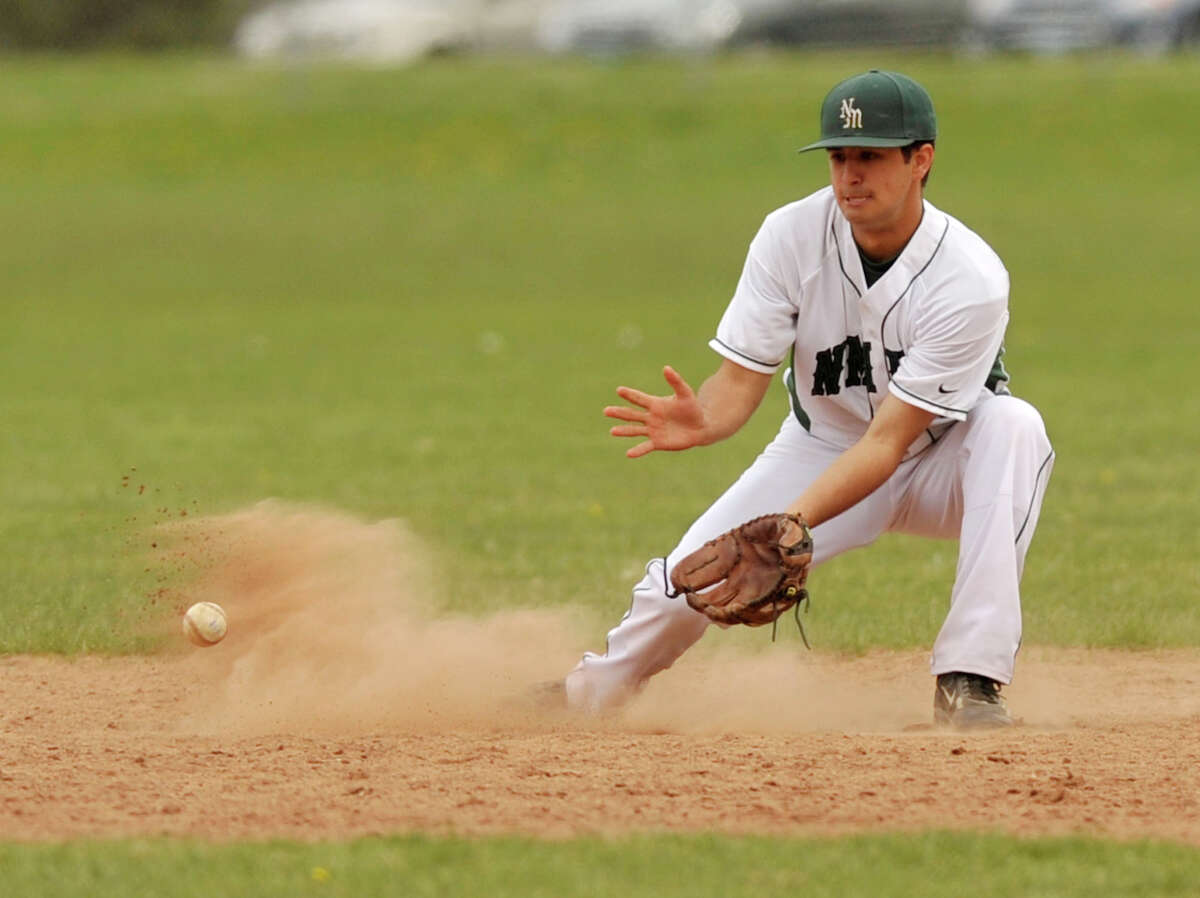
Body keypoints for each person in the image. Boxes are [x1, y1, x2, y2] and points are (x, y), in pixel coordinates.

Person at [563, 70, 1054, 729]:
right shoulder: (790, 237)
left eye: (872, 156)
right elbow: (740, 382)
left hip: (945, 459)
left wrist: (790, 523)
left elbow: (889, 441)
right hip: (822, 446)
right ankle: (585, 696)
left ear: (921, 160)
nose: (851, 174)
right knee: (689, 580)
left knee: (1014, 427)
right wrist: (707, 418)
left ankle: (971, 679)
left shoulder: (969, 278)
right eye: (839, 156)